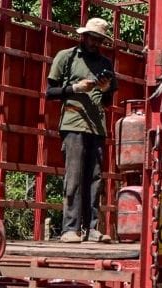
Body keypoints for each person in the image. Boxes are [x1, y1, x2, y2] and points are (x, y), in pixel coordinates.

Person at [46, 17, 117, 244]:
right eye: (92, 38)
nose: (95, 43)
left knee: (95, 178)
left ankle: (92, 229)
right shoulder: (66, 57)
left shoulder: (106, 63)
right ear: (84, 36)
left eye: (99, 40)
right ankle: (70, 228)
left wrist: (105, 89)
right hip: (73, 123)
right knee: (74, 177)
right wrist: (75, 88)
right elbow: (49, 92)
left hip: (97, 126)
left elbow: (107, 101)